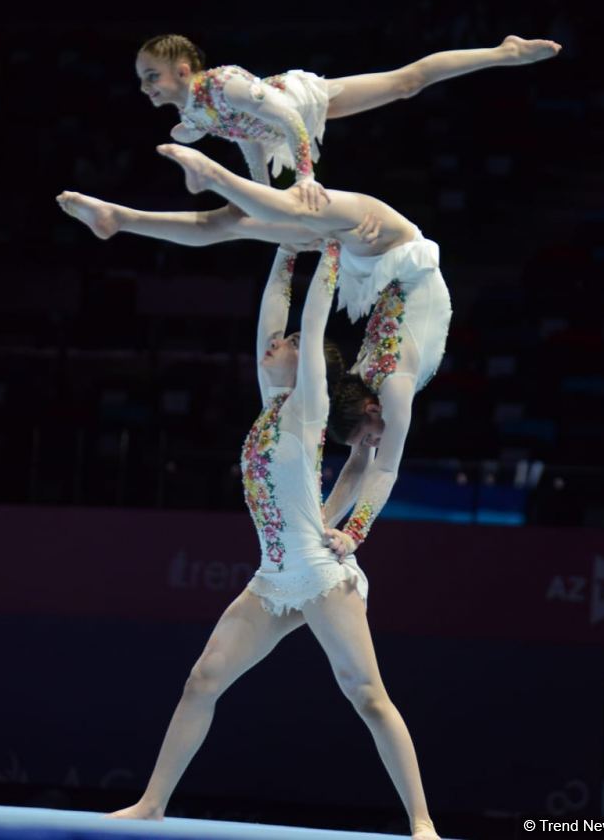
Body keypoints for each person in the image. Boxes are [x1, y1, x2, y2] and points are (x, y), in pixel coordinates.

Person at [110, 241, 441, 840]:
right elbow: (274, 311)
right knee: (203, 679)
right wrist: (287, 250)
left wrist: (332, 249)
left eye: (285, 344)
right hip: (273, 575)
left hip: (318, 574)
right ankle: (152, 803)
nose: (274, 344)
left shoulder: (310, 405)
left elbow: (312, 321)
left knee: (367, 694)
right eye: (275, 342)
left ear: (311, 360)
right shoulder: (271, 404)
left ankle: (422, 824)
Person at [153, 143, 452, 564]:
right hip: (398, 252)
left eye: (368, 437)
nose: (374, 442)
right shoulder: (393, 392)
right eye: (369, 438)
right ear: (370, 407)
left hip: (389, 252)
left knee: (280, 222)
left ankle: (205, 184)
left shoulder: (381, 391)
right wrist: (333, 530)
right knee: (274, 221)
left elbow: (375, 468)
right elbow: (373, 467)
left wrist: (341, 531)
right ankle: (151, 210)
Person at [137, 31, 561, 208]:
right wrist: (259, 193)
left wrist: (305, 177)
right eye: (142, 79)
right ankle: (505, 52)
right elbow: (248, 136)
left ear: (182, 70)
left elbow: (288, 119)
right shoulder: (192, 110)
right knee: (405, 84)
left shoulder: (224, 85)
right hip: (282, 121)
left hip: (302, 100)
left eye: (152, 76)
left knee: (406, 82)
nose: (146, 87)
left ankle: (507, 51)